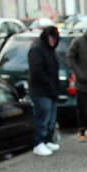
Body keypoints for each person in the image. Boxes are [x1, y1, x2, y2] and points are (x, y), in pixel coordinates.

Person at [28, 25, 61, 156]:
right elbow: (37, 72)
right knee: (42, 116)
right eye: (51, 38)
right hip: (41, 90)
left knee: (50, 118)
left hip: (50, 90)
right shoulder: (37, 49)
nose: (53, 41)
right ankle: (39, 142)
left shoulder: (49, 50)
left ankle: (46, 140)